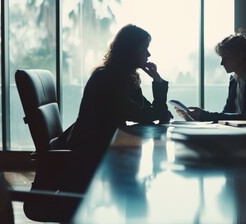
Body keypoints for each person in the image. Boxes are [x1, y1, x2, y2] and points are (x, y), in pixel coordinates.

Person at [59, 24, 172, 171]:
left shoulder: (125, 76)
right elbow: (141, 114)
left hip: (105, 146)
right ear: (131, 50)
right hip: (90, 151)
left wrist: (158, 82)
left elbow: (146, 110)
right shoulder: (106, 78)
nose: (148, 54)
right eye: (144, 48)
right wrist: (159, 108)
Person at [177, 34, 246, 122]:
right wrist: (193, 118)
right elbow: (227, 113)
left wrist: (204, 116)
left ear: (240, 56)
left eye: (226, 57)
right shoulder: (233, 81)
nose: (222, 63)